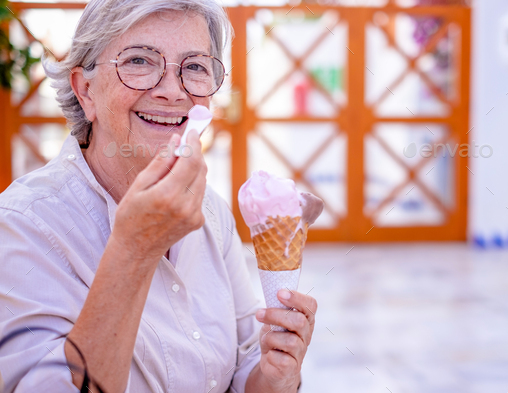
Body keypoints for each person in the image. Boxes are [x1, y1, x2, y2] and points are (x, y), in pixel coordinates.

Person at [0, 0, 317, 391]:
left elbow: (245, 361)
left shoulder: (210, 211)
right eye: (139, 61)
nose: (172, 91)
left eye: (196, 66)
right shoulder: (22, 226)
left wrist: (274, 375)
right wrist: (134, 250)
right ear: (86, 91)